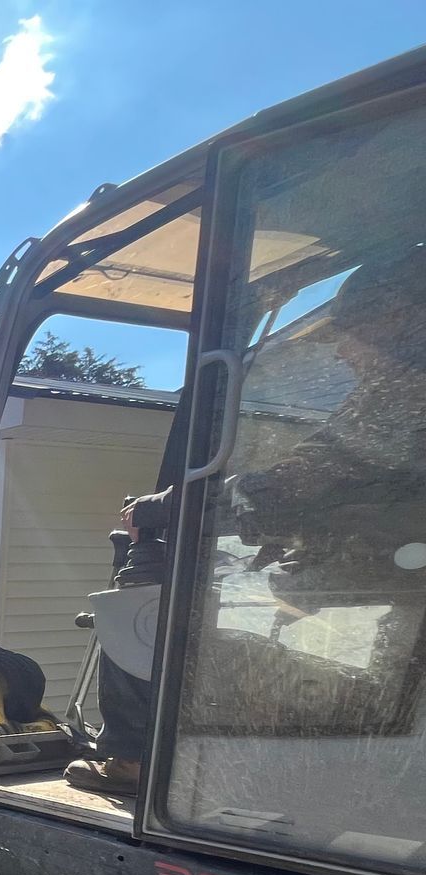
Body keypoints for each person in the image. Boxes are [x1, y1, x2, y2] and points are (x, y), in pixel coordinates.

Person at [63, 244, 426, 797]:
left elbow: (296, 479)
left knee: (147, 611)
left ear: (392, 318)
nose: (342, 356)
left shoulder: (402, 390)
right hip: (391, 582)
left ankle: (135, 761)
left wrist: (164, 508)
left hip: (393, 590)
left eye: (348, 335)